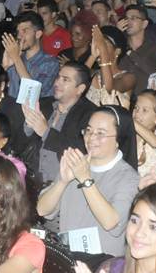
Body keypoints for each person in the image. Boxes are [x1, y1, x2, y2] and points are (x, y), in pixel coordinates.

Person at [37, 106, 139, 257]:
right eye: (89, 131)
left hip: (102, 266)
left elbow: (111, 222)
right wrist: (63, 182)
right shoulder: (77, 163)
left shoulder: (129, 178)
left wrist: (85, 179)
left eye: (100, 133)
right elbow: (42, 210)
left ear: (118, 140)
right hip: (69, 258)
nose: (91, 138)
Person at [21, 62, 96, 185]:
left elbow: (82, 150)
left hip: (63, 184)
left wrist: (46, 132)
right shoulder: (44, 104)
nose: (57, 83)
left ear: (80, 89)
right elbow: (22, 142)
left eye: (65, 80)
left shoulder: (90, 114)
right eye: (58, 77)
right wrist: (29, 124)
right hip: (30, 177)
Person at [3, 12, 60, 99]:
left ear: (38, 34)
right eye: (18, 32)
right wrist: (5, 67)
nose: (19, 36)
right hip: (11, 109)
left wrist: (16, 59)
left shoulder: (50, 62)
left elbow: (34, 94)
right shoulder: (16, 58)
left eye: (25, 31)